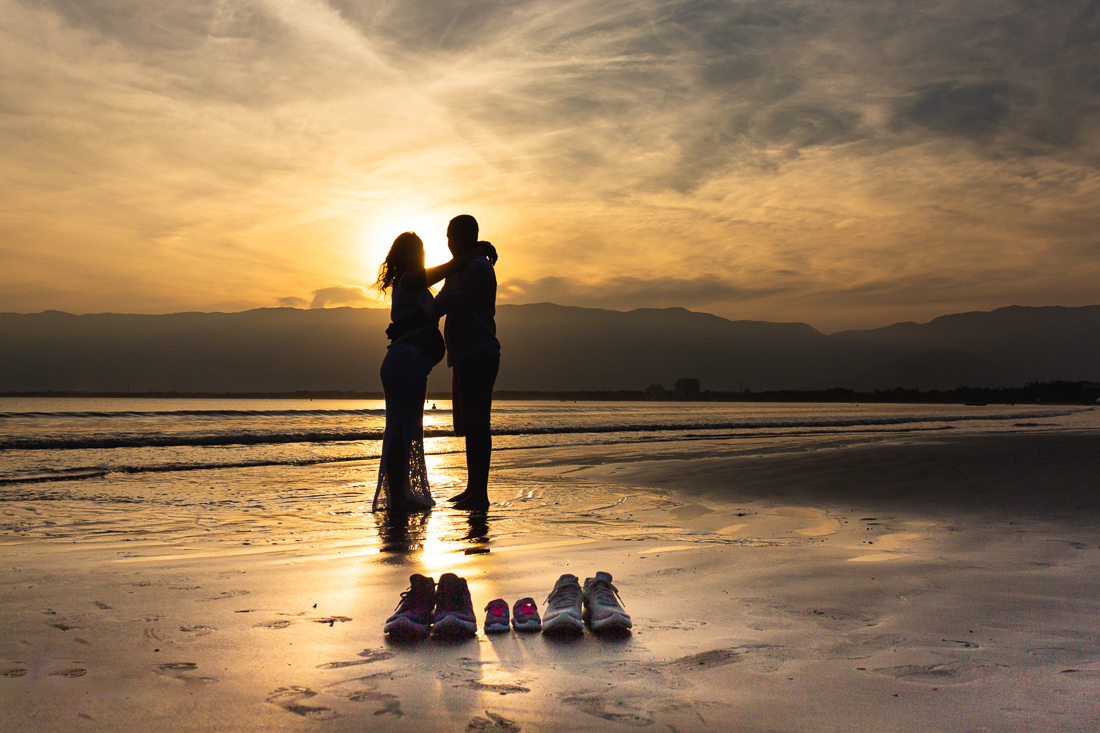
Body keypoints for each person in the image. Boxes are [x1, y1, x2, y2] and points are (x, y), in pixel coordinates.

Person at [371, 232, 488, 513]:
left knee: (405, 428)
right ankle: (399, 496)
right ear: (411, 254)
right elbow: (445, 271)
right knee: (401, 429)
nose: (424, 253)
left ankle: (403, 494)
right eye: (420, 249)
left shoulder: (412, 283)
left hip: (411, 364)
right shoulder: (411, 279)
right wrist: (471, 254)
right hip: (405, 363)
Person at [431, 215, 500, 511]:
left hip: (477, 351)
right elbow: (444, 299)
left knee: (477, 424)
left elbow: (443, 303)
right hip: (463, 353)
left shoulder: (475, 267)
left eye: (454, 237)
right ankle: (472, 488)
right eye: (447, 237)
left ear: (469, 237)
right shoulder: (464, 265)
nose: (449, 243)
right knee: (469, 425)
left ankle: (479, 493)